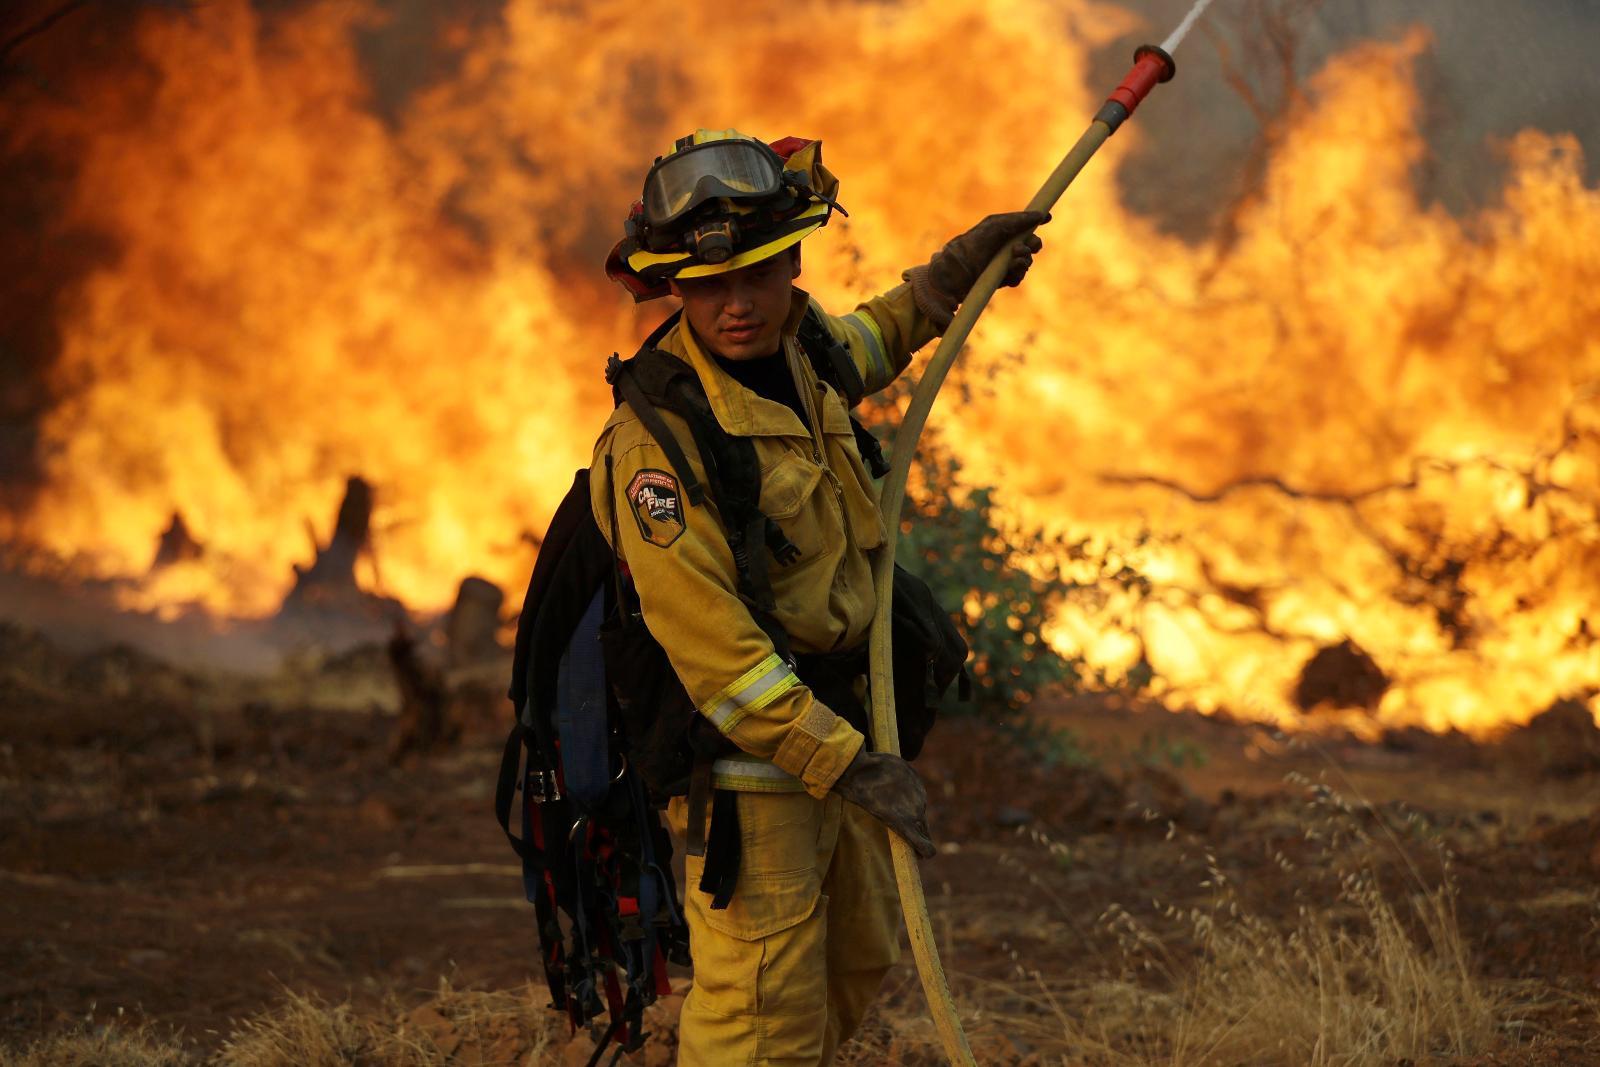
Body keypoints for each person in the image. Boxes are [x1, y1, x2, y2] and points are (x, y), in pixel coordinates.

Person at [593, 128, 1044, 1066]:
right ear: (674, 286)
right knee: (762, 1010)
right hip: (756, 767)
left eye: (757, 275)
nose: (738, 305)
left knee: (856, 957)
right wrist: (845, 763)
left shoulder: (804, 351)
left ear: (793, 262)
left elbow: (868, 342)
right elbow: (719, 658)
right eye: (708, 287)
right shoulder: (658, 447)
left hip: (845, 726)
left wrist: (952, 276)